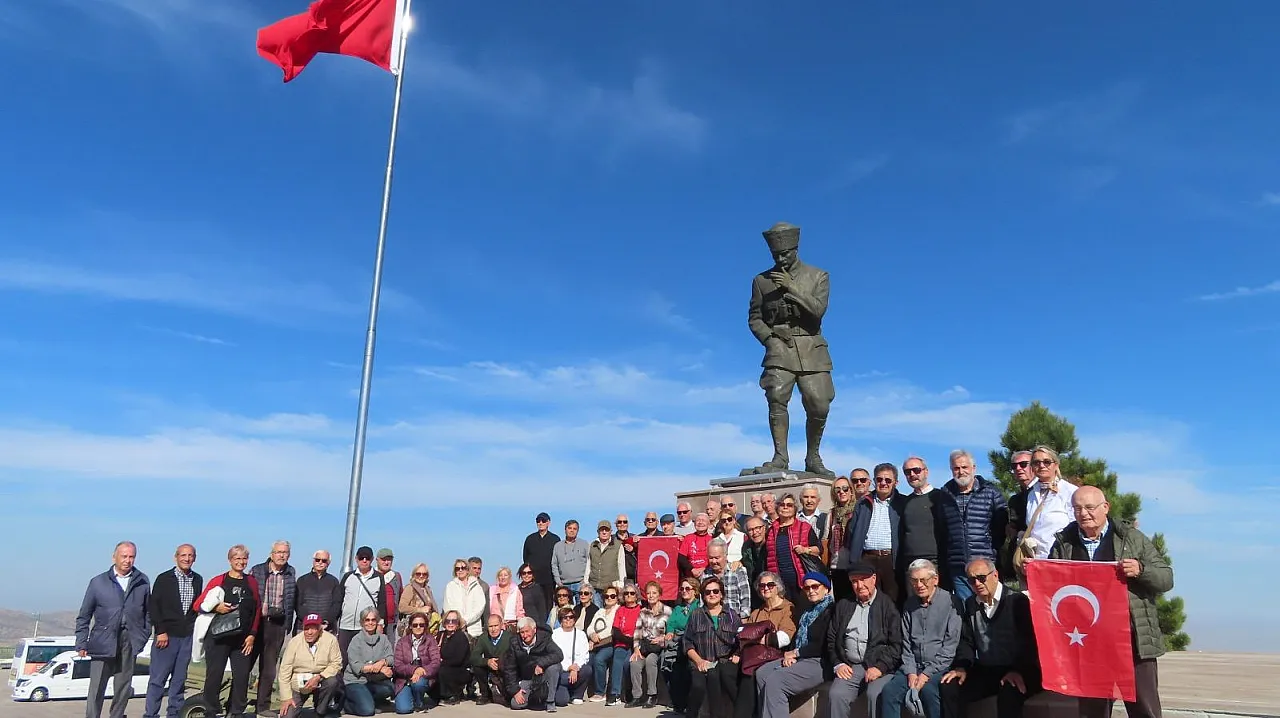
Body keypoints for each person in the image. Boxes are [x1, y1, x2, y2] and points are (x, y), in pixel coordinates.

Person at [1049, 486, 1173, 718]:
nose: (1083, 513)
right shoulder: (1063, 543)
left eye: (1089, 507)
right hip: (1087, 643)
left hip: (1133, 641)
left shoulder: (1131, 538)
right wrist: (1032, 573)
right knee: (1092, 711)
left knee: (1144, 709)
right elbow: (1052, 588)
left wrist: (1141, 570)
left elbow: (1166, 579)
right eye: (1077, 508)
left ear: (1106, 508)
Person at [743, 221, 836, 477]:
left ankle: (813, 456)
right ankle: (780, 457)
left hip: (812, 347)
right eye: (776, 255)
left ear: (795, 249)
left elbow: (818, 311)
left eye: (785, 253)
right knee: (776, 398)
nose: (781, 258)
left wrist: (790, 286)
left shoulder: (818, 276)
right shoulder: (761, 281)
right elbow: (754, 317)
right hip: (779, 347)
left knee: (819, 404)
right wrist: (769, 339)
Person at [940, 559, 1040, 718]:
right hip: (988, 669)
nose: (977, 584)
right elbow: (967, 641)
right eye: (972, 580)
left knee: (1009, 692)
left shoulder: (1017, 601)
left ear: (995, 575)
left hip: (1020, 668)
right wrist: (961, 667)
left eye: (981, 578)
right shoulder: (971, 604)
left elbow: (1029, 642)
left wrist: (1018, 670)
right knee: (950, 686)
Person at [879, 559, 962, 718]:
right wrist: (911, 672)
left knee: (929, 690)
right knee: (890, 692)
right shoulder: (909, 605)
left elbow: (950, 646)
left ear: (935, 580)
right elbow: (907, 643)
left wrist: (926, 674)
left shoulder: (951, 603)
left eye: (923, 580)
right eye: (914, 580)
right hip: (913, 665)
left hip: (940, 666)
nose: (919, 585)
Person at [77, 541, 151, 718]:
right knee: (97, 687)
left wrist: (142, 637)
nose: (127, 560)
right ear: (114, 557)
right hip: (102, 640)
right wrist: (81, 642)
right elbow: (84, 615)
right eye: (124, 556)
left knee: (123, 687)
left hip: (129, 640)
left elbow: (148, 613)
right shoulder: (98, 582)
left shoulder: (142, 581)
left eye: (131, 556)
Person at [754, 572, 836, 718]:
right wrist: (791, 654)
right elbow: (797, 638)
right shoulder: (807, 611)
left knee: (776, 680)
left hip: (820, 661)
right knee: (762, 673)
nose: (811, 591)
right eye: (807, 588)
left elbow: (823, 645)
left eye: (815, 586)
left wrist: (796, 653)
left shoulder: (832, 611)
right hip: (801, 657)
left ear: (826, 588)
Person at [825, 562, 901, 718]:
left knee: (875, 694)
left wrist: (880, 667)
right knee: (837, 694)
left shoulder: (887, 606)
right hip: (851, 665)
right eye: (854, 581)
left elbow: (896, 645)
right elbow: (831, 639)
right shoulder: (844, 605)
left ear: (874, 579)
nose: (859, 585)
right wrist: (838, 663)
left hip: (879, 664)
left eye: (863, 579)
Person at [194, 545, 260, 718]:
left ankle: (237, 711)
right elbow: (198, 605)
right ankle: (212, 711)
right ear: (230, 560)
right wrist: (217, 607)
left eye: (244, 558)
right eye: (237, 558)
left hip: (242, 639)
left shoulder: (251, 582)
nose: (241, 562)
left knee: (242, 676)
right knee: (214, 676)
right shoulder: (219, 580)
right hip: (218, 637)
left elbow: (257, 609)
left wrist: (252, 634)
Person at [146, 544, 201, 718]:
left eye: (190, 555)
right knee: (158, 681)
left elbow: (196, 608)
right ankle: (151, 714)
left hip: (186, 638)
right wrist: (160, 631)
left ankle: (174, 714)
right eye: (183, 555)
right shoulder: (164, 578)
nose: (187, 558)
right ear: (176, 557)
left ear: (194, 558)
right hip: (166, 637)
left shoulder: (197, 579)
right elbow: (154, 606)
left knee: (178, 681)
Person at [250, 540, 297, 717]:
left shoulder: (291, 573)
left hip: (277, 624)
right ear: (271, 554)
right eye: (278, 552)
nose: (281, 555)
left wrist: (287, 625)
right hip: (257, 623)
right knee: (246, 664)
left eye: (285, 552)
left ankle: (262, 706)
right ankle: (235, 703)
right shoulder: (257, 570)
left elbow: (291, 599)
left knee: (269, 668)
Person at [683, 576, 742, 718]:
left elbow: (741, 639)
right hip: (701, 662)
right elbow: (687, 642)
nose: (712, 594)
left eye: (716, 591)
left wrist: (738, 654)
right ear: (703, 595)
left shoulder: (731, 615)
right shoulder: (696, 614)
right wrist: (699, 661)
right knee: (698, 686)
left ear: (721, 594)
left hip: (725, 662)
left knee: (721, 679)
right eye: (708, 592)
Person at [277, 613, 343, 718]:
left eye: (313, 629)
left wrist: (319, 677)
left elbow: (336, 663)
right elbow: (284, 671)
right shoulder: (294, 642)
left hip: (321, 679)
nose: (309, 632)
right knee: (287, 716)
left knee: (332, 681)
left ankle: (320, 712)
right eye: (306, 629)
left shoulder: (331, 640)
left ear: (320, 629)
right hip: (299, 683)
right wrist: (286, 698)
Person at [503, 617, 564, 712]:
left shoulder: (545, 638)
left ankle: (550, 701)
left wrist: (541, 663)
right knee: (515, 704)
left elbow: (558, 654)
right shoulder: (514, 642)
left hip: (544, 678)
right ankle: (537, 700)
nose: (525, 635)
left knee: (554, 668)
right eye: (522, 632)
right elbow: (509, 669)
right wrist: (515, 690)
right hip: (528, 679)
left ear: (534, 630)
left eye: (527, 631)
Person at [343, 608, 396, 716]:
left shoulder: (383, 639)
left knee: (390, 688)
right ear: (362, 622)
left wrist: (383, 662)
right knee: (367, 711)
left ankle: (369, 700)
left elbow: (391, 657)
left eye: (373, 620)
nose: (370, 623)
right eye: (367, 620)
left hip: (373, 681)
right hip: (356, 681)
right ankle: (345, 704)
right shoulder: (356, 640)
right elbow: (356, 666)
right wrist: (378, 668)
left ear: (377, 621)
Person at [629, 581, 671, 708]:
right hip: (645, 645)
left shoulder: (668, 611)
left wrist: (661, 639)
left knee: (650, 661)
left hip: (658, 648)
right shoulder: (643, 611)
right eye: (648, 593)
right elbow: (637, 631)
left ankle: (652, 695)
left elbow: (670, 633)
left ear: (659, 594)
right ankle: (637, 696)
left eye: (654, 593)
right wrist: (636, 649)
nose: (651, 596)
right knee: (635, 663)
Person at [392, 611, 441, 714]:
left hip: (423, 677)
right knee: (403, 710)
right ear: (410, 626)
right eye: (415, 625)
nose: (418, 627)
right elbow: (398, 665)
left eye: (421, 625)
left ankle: (419, 702)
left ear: (425, 626)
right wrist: (414, 669)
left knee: (419, 684)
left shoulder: (430, 640)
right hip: (404, 679)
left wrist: (422, 670)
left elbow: (436, 662)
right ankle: (410, 697)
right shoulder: (402, 642)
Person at [550, 607, 593, 706]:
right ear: (561, 619)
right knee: (561, 701)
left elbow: (584, 655)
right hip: (562, 672)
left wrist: (575, 667)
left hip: (576, 671)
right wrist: (568, 667)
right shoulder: (555, 635)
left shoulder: (581, 634)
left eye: (571, 617)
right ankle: (565, 690)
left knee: (587, 669)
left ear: (574, 619)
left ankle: (577, 695)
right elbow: (554, 656)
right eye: (565, 617)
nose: (568, 619)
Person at [468, 613, 512, 706]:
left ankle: (507, 693)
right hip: (489, 666)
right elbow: (473, 657)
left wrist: (500, 662)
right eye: (490, 626)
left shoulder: (509, 638)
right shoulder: (483, 638)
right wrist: (487, 661)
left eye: (496, 626)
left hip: (506, 668)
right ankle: (485, 695)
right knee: (477, 666)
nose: (493, 629)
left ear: (501, 625)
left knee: (509, 700)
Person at [295, 550, 342, 633]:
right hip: (303, 626)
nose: (320, 563)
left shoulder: (334, 581)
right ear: (313, 561)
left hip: (326, 628)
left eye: (324, 561)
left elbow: (336, 604)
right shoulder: (302, 580)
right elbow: (298, 604)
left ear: (328, 563)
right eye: (317, 560)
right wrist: (310, 621)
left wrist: (326, 621)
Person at [525, 512, 562, 609]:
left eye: (543, 521)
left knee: (548, 604)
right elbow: (525, 559)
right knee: (534, 604)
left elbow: (558, 559)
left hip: (549, 580)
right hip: (534, 580)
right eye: (538, 521)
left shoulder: (555, 539)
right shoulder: (530, 539)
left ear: (548, 523)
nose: (540, 523)